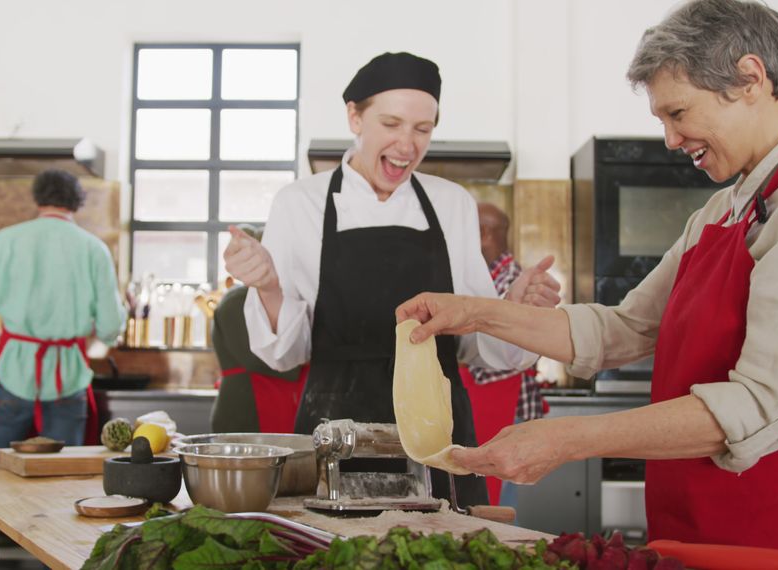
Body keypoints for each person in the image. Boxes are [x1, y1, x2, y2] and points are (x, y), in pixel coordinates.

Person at [396, 1, 778, 567]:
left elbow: (762, 404)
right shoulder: (721, 210)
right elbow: (624, 327)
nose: (669, 138)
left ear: (751, 78)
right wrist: (475, 312)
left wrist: (564, 440)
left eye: (678, 112)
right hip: (699, 530)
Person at [223, 51, 560, 508]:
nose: (407, 145)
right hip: (334, 430)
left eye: (423, 129)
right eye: (392, 124)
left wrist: (514, 308)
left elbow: (480, 349)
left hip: (438, 435)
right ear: (355, 117)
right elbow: (285, 354)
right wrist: (268, 287)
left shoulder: (451, 203)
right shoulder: (298, 203)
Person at [0, 169, 125, 569]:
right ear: (76, 203)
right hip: (67, 380)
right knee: (62, 487)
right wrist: (86, 337)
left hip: (14, 373)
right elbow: (111, 326)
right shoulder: (93, 249)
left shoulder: (7, 240)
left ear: (38, 199)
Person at [461, 202, 554, 506]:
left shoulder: (510, 281)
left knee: (497, 503)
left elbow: (493, 354)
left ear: (483, 232)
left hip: (503, 411)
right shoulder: (486, 276)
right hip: (487, 413)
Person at [212, 225, 307, 433]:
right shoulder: (236, 302)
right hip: (246, 409)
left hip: (271, 402)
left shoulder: (279, 298)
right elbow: (271, 360)